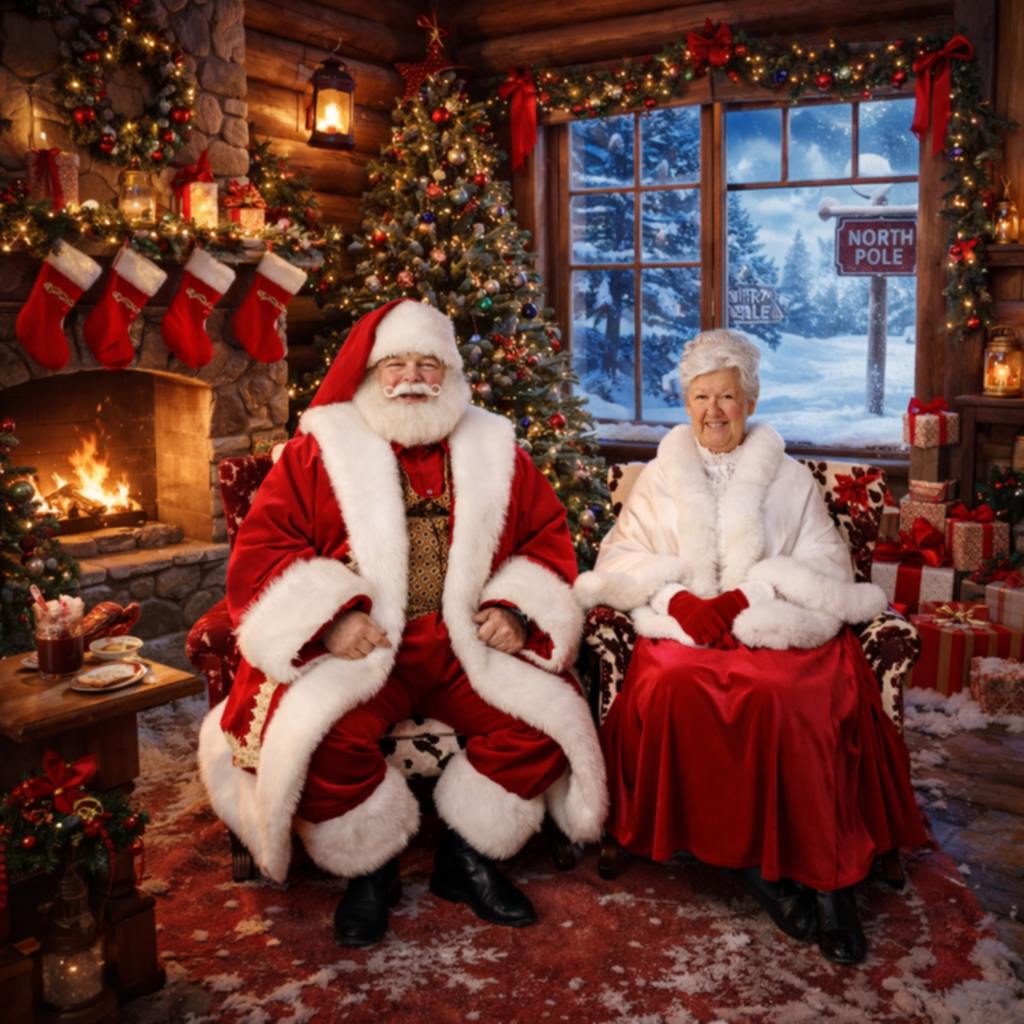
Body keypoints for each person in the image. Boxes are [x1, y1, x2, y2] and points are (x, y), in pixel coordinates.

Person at [198, 298, 606, 947]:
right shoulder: (320, 452)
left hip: (461, 646)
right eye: (396, 364)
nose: (412, 376)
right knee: (322, 738)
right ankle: (372, 867)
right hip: (364, 650)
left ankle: (464, 859)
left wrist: (513, 609)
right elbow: (264, 549)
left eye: (427, 363)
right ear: (370, 372)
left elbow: (546, 536)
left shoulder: (494, 449)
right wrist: (331, 621)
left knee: (542, 724)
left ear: (449, 375)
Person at [575, 329, 926, 966]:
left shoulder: (788, 477)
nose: (714, 410)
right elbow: (621, 556)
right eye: (701, 397)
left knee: (789, 696)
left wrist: (746, 597)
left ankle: (829, 885)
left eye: (727, 397)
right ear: (686, 403)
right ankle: (753, 867)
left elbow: (826, 559)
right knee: (671, 687)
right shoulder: (658, 477)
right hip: (681, 629)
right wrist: (680, 601)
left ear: (750, 401)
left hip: (776, 626)